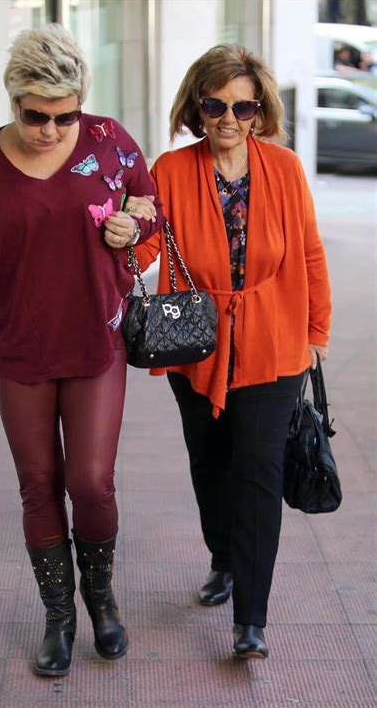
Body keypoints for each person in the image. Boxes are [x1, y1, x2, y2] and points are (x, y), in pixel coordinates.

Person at [0, 23, 164, 677]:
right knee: (41, 485)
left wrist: (133, 223)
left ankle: (102, 599)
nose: (50, 130)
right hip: (17, 352)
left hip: (96, 341)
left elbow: (150, 201)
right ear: (12, 99)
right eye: (35, 115)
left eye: (65, 115)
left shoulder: (110, 141)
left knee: (91, 480)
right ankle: (58, 615)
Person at [124, 44, 331, 660]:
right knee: (210, 462)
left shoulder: (286, 170)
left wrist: (316, 335)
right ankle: (222, 556)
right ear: (197, 106)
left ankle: (252, 618)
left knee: (258, 470)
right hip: (197, 341)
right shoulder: (170, 170)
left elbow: (311, 254)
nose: (229, 118)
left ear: (260, 110)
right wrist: (123, 234)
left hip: (274, 342)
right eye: (215, 104)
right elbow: (146, 252)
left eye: (244, 106)